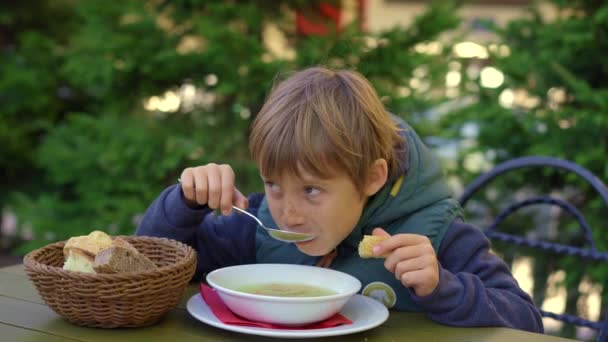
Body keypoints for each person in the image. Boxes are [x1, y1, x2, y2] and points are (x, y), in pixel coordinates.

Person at [136, 67, 543, 333]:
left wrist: (444, 287)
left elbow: (527, 323)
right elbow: (148, 270)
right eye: (274, 184)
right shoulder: (257, 223)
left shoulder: (437, 237)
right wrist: (184, 204)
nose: (288, 213)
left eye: (311, 190)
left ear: (372, 177)